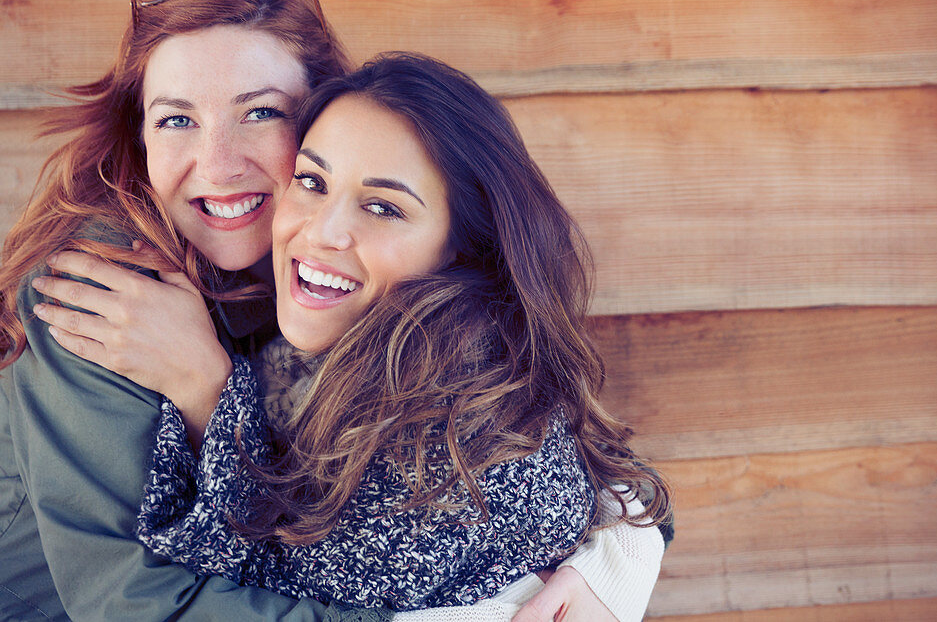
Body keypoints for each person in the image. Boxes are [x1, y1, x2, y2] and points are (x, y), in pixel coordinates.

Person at [0, 0, 663, 621]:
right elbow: (142, 602)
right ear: (138, 133)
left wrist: (610, 564)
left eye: (259, 112)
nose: (219, 165)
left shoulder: (371, 275)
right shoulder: (97, 289)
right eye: (176, 119)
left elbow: (578, 452)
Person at [123, 51, 672, 611]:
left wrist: (205, 392)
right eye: (312, 181)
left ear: (462, 242)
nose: (323, 231)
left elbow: (247, 590)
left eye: (383, 208)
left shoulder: (458, 439)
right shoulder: (369, 349)